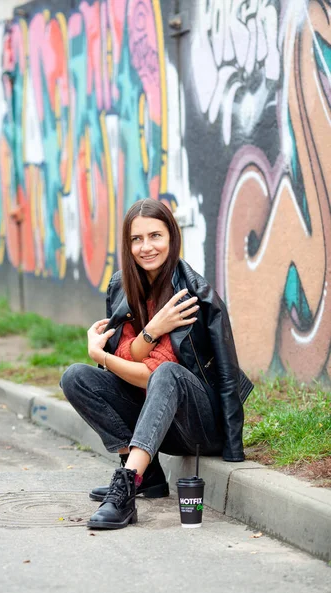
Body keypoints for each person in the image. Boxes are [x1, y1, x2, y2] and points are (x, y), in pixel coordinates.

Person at [60, 198, 253, 530]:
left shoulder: (191, 295)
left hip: (198, 424)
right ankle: (146, 476)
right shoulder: (124, 287)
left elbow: (154, 376)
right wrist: (150, 332)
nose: (146, 247)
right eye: (137, 239)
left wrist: (103, 355)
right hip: (158, 420)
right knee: (76, 377)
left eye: (155, 236)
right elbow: (127, 358)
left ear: (172, 238)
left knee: (166, 373)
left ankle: (126, 487)